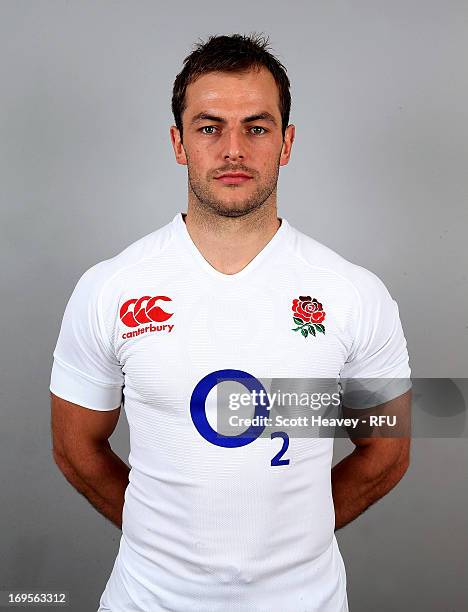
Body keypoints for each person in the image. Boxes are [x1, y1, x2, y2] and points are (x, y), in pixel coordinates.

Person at [50, 33, 412, 612]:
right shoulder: (110, 287)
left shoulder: (352, 293)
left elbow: (386, 451)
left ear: (287, 142)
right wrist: (166, 546)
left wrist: (294, 545)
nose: (234, 149)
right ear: (178, 142)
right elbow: (75, 446)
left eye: (258, 127)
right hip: (147, 600)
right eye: (209, 126)